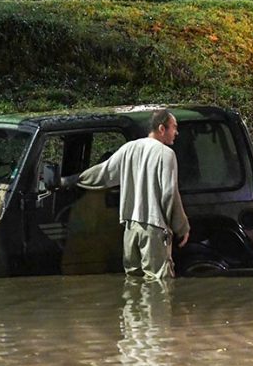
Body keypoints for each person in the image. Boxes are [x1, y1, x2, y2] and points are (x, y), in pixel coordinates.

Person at [76, 109, 190, 280]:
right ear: (161, 129)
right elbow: (169, 193)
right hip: (153, 228)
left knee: (133, 280)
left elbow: (103, 174)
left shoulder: (129, 148)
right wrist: (181, 226)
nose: (176, 132)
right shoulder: (166, 154)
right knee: (159, 282)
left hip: (130, 228)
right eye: (174, 127)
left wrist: (72, 180)